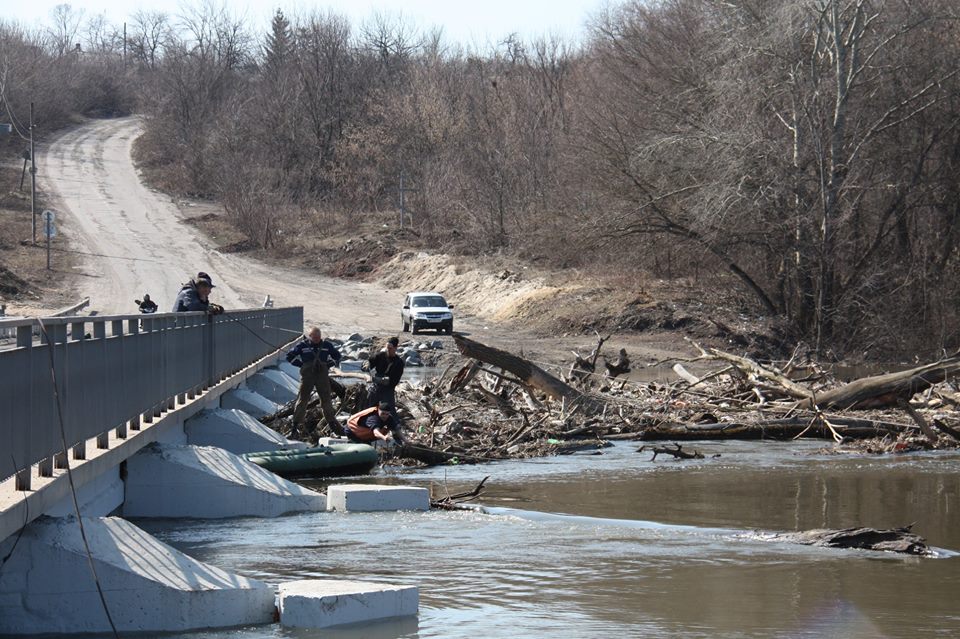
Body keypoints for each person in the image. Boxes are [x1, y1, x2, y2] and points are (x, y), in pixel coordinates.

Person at [286, 326, 343, 441]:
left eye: (318, 337)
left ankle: (332, 428)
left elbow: (337, 356)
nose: (317, 339)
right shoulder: (302, 345)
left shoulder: (327, 346)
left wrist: (328, 365)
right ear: (310, 336)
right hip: (307, 377)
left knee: (326, 401)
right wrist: (301, 365)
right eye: (314, 337)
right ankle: (294, 429)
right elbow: (289, 356)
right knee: (302, 401)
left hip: (322, 377)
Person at [363, 336, 405, 411]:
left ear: (395, 348)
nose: (388, 350)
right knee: (368, 408)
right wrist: (367, 365)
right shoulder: (380, 355)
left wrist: (376, 379)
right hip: (375, 387)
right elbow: (370, 361)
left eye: (390, 348)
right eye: (387, 348)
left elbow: (393, 382)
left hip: (388, 389)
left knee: (389, 411)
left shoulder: (399, 363)